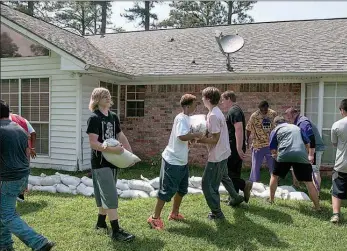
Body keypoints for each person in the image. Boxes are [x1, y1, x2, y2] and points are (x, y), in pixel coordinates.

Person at [0, 100, 55, 251]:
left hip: (7, 179)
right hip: (22, 175)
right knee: (4, 210)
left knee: (7, 214)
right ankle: (5, 244)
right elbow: (26, 152)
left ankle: (39, 242)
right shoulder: (19, 128)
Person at [147, 94, 204, 230]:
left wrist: (191, 141)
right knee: (167, 191)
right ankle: (154, 218)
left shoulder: (187, 119)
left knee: (182, 189)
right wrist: (196, 135)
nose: (196, 106)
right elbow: (181, 136)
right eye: (195, 104)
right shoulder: (181, 118)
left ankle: (174, 213)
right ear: (187, 105)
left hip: (181, 161)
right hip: (172, 161)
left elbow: (184, 139)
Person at [86, 88, 135, 242]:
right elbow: (93, 143)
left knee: (105, 193)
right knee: (110, 194)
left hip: (113, 161)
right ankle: (116, 231)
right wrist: (111, 149)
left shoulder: (113, 117)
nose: (108, 98)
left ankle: (101, 223)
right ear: (96, 99)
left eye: (108, 95)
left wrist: (130, 153)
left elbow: (120, 135)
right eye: (103, 96)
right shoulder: (94, 118)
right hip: (100, 163)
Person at [197, 87, 244, 220]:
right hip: (224, 152)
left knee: (208, 184)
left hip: (217, 156)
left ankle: (216, 213)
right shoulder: (215, 112)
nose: (202, 99)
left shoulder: (213, 115)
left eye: (203, 97)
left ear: (208, 99)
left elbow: (215, 139)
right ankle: (236, 197)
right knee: (224, 176)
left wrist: (197, 139)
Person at [268, 116, 320, 210]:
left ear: (275, 124)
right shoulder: (297, 127)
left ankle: (271, 200)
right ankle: (317, 207)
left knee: (274, 176)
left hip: (284, 154)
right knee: (308, 182)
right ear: (285, 121)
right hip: (301, 154)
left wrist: (275, 155)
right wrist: (306, 154)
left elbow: (272, 148)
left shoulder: (275, 130)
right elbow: (308, 143)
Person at [220, 91, 253, 202]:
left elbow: (238, 128)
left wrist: (239, 148)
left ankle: (244, 185)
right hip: (234, 146)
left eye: (223, 99)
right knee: (233, 172)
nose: (222, 102)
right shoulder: (235, 110)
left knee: (227, 173)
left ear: (229, 98)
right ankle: (233, 197)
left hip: (234, 147)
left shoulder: (234, 110)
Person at [284, 107, 325, 195]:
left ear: (294, 114)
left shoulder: (303, 123)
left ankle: (316, 193)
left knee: (314, 170)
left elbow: (311, 138)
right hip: (307, 149)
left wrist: (311, 154)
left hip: (315, 148)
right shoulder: (297, 122)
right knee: (295, 165)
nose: (288, 119)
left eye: (289, 116)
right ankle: (296, 185)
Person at [9, 111, 37, 202]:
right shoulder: (23, 120)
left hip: (13, 149)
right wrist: (32, 147)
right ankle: (21, 195)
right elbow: (33, 133)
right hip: (26, 148)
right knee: (24, 170)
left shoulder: (7, 119)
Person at [246, 101, 277, 182]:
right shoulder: (254, 116)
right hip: (258, 145)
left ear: (268, 107)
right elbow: (248, 128)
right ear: (259, 108)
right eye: (261, 110)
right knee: (255, 166)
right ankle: (254, 183)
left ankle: (274, 182)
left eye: (265, 110)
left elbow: (277, 128)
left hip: (270, 145)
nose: (263, 111)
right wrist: (247, 140)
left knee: (272, 166)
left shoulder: (273, 114)